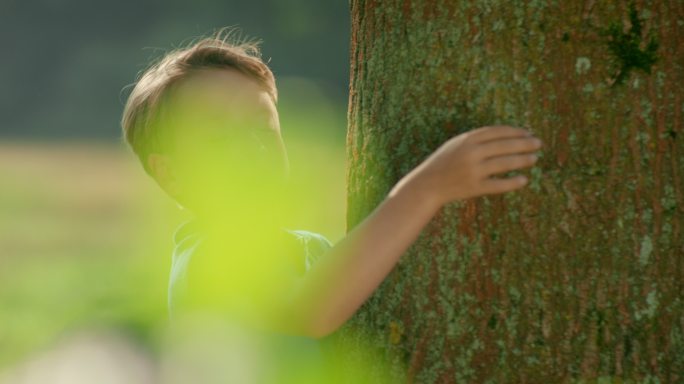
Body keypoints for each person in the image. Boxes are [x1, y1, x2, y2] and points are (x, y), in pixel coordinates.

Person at [120, 26, 543, 382]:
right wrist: (425, 189)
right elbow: (309, 310)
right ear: (172, 172)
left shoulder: (308, 246)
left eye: (262, 128)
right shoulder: (205, 258)